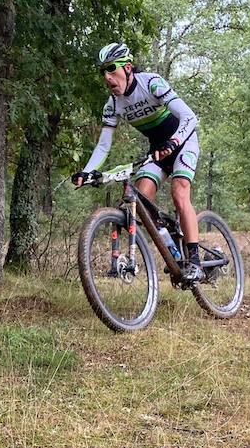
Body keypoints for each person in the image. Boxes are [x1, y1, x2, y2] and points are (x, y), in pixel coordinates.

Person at [72, 42, 204, 281]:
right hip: (157, 151)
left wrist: (173, 142)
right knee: (142, 199)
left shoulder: (151, 83)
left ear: (128, 68)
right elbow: (103, 145)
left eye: (111, 69)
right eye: (103, 72)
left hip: (183, 141)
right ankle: (173, 240)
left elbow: (189, 117)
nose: (107, 77)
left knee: (179, 193)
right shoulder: (112, 105)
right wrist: (87, 171)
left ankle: (195, 261)